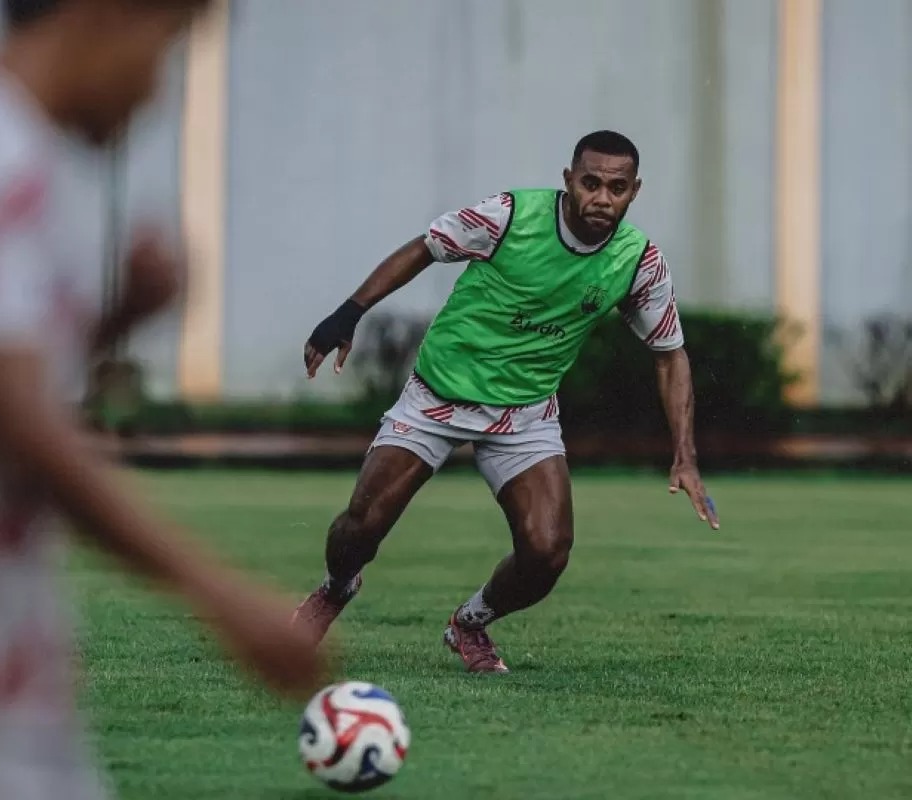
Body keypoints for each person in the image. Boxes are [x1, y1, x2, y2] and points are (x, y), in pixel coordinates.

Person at [0, 1, 323, 797]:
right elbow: (22, 428)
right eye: (166, 49)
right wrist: (220, 595)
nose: (154, 93)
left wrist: (115, 318)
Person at [292, 131, 720, 674]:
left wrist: (684, 454)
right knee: (362, 526)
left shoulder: (637, 261)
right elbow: (425, 247)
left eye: (616, 187)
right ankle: (336, 588)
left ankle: (469, 623)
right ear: (569, 181)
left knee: (547, 551)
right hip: (439, 394)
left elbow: (670, 354)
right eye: (590, 183)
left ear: (635, 191)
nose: (601, 198)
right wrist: (348, 313)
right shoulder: (510, 216)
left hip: (524, 413)